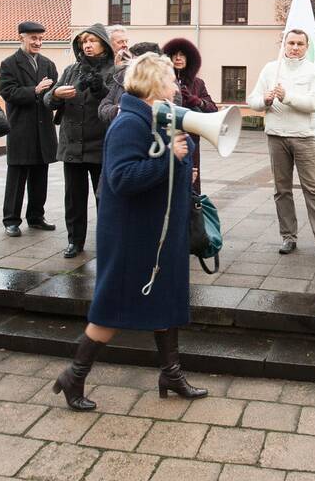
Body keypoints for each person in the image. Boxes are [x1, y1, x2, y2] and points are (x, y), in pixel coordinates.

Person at [52, 53, 206, 411]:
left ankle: (171, 373)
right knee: (111, 309)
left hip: (158, 231)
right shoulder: (128, 124)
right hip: (130, 235)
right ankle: (73, 376)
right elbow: (122, 179)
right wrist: (171, 158)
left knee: (165, 298)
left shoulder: (159, 117)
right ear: (153, 84)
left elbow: (170, 164)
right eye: (169, 80)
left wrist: (181, 155)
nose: (175, 85)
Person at [247, 29, 315, 259]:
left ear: (306, 46)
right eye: (291, 43)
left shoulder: (314, 71)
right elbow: (252, 101)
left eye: (299, 44)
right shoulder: (270, 69)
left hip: (304, 137)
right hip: (276, 136)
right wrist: (265, 100)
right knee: (282, 190)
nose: (294, 47)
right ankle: (288, 237)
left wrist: (287, 97)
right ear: (284, 45)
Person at [44, 23, 115, 259]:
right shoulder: (71, 70)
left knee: (103, 197)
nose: (87, 45)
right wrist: (55, 94)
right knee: (74, 198)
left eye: (92, 41)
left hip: (101, 144)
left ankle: (107, 240)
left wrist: (99, 89)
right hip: (72, 143)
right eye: (84, 41)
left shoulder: (115, 71)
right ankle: (75, 241)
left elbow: (116, 102)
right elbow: (48, 100)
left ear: (103, 44)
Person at [0, 21, 58, 237]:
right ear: (21, 38)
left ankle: (36, 216)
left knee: (40, 176)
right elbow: (8, 93)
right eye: (33, 38)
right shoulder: (8, 64)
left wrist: (57, 96)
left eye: (41, 38)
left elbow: (53, 95)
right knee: (17, 178)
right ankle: (11, 220)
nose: (38, 42)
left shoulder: (48, 64)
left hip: (43, 130)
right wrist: (34, 90)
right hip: (20, 129)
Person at [162, 38, 218, 193]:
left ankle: (191, 212)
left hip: (191, 139)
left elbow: (212, 109)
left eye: (182, 55)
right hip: (167, 137)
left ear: (189, 59)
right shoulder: (163, 80)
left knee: (191, 181)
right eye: (175, 55)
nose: (178, 58)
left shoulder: (198, 83)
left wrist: (197, 101)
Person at [97, 41, 164, 128]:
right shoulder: (122, 76)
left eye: (138, 62)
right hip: (119, 132)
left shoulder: (167, 81)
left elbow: (164, 112)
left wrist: (128, 109)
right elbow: (103, 107)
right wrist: (118, 110)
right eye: (133, 60)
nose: (133, 65)